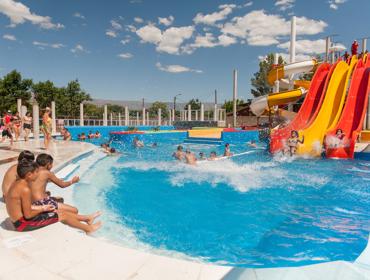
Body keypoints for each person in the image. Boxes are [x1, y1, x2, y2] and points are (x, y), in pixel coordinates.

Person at [6, 159, 102, 233]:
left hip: (18, 220)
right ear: (29, 174)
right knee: (62, 215)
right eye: (36, 172)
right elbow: (28, 215)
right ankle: (89, 229)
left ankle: (87, 219)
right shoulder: (25, 189)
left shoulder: (17, 183)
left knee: (56, 211)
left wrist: (43, 207)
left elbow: (23, 207)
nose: (37, 174)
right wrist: (42, 209)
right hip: (23, 224)